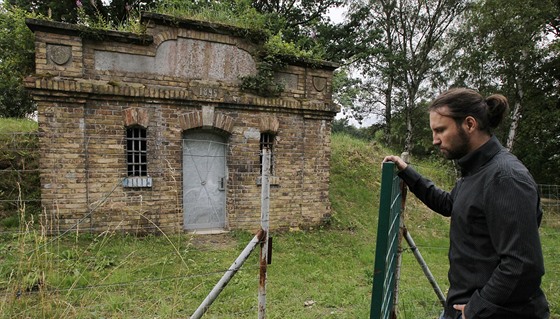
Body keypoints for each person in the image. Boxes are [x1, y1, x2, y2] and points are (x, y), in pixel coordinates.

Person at [384, 88, 549, 319]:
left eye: (440, 130)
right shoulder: (476, 171)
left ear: (469, 124)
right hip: (465, 307)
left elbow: (522, 265)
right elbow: (451, 204)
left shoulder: (506, 178)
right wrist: (408, 173)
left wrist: (476, 308)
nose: (435, 140)